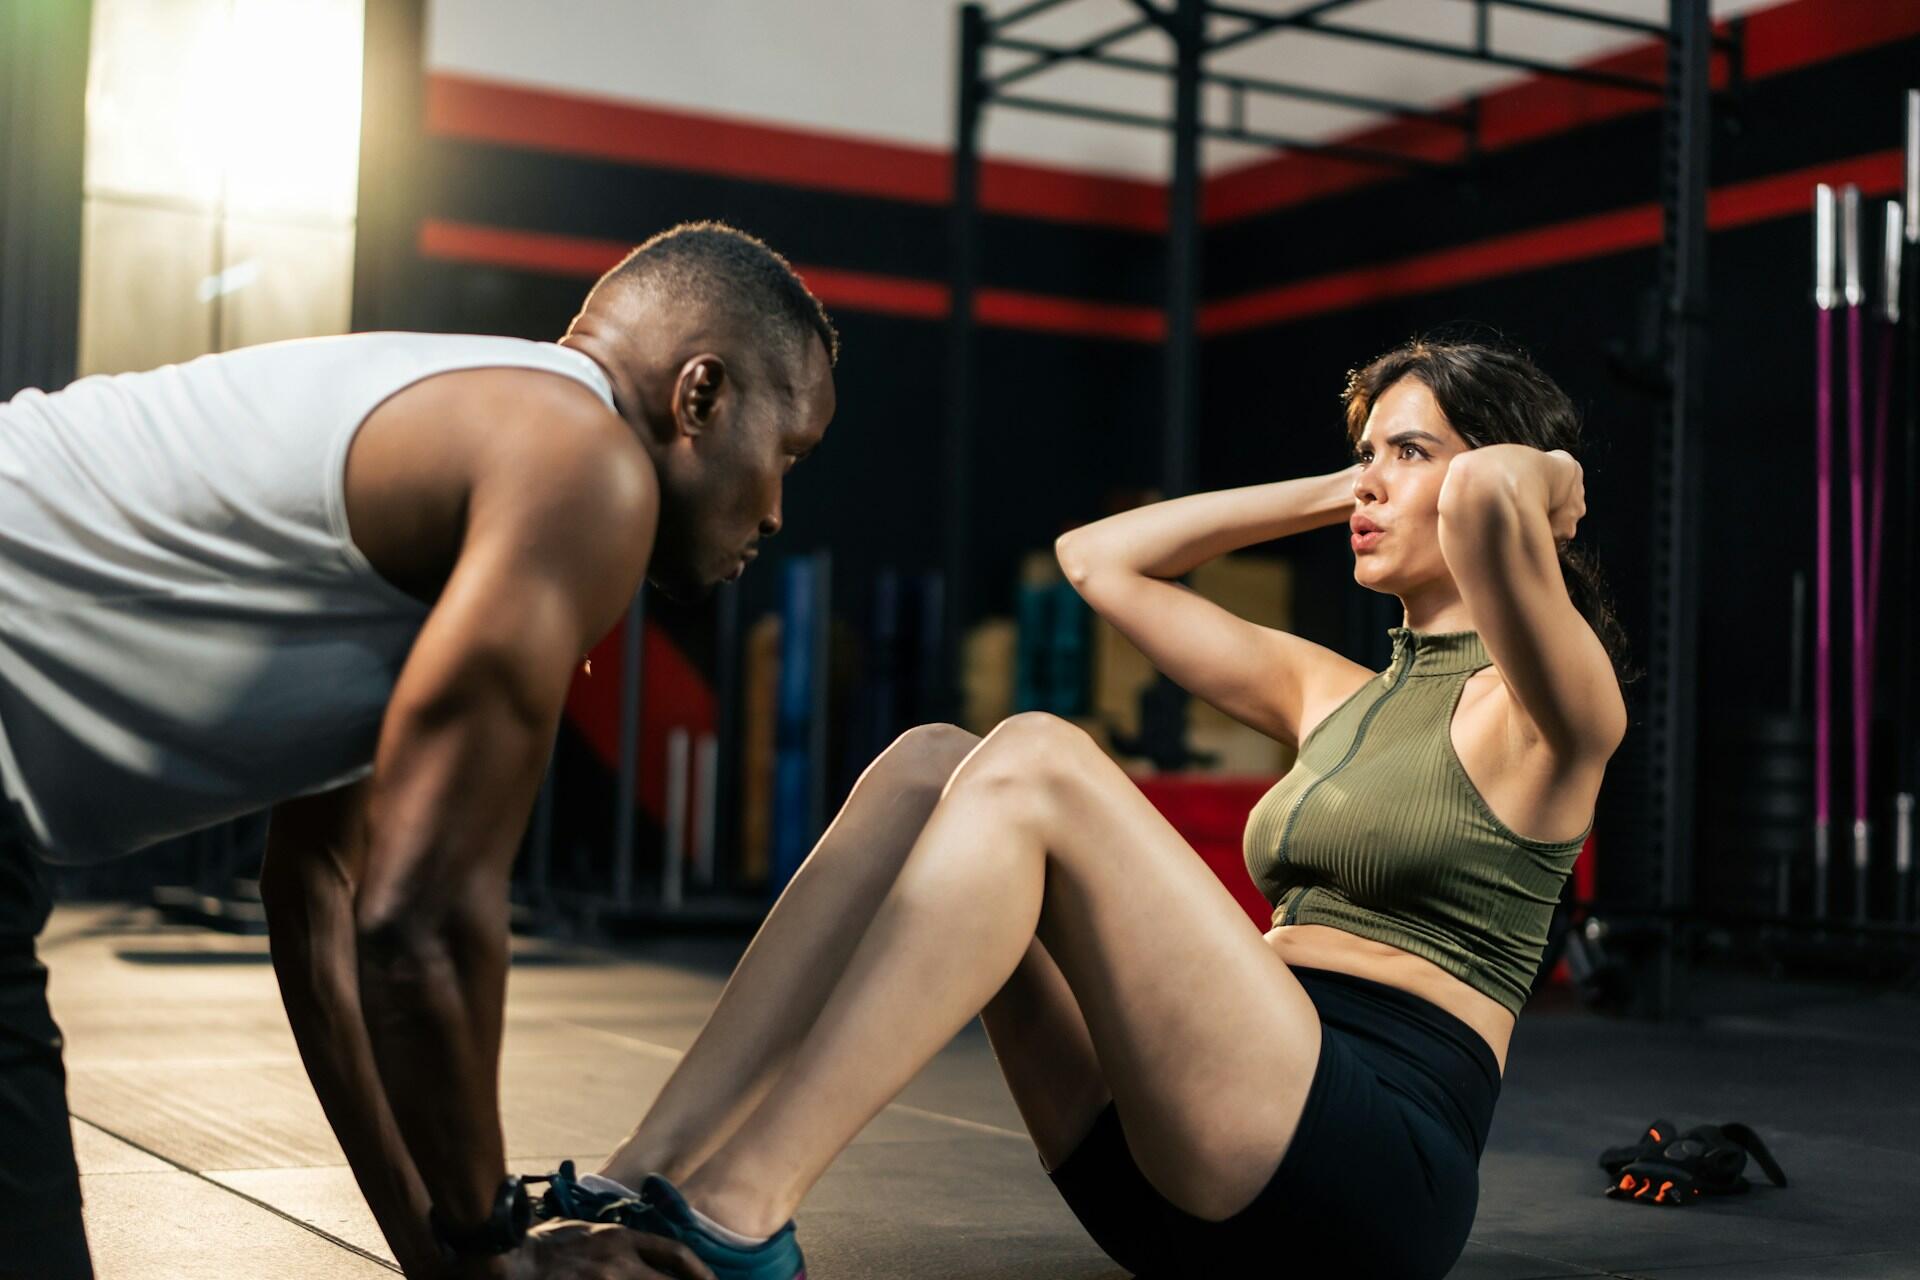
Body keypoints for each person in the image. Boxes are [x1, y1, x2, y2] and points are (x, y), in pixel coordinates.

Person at [531, 336, 1631, 1280]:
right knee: (930, 763)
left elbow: (1490, 504)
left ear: (1502, 470)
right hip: (1181, 1150)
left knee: (1042, 760)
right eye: (1365, 453)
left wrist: (1551, 467)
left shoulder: (1549, 715)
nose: (1370, 483)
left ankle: (741, 1202)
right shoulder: (1333, 694)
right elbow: (1099, 562)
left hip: (1361, 1176)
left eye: (1408, 451)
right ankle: (649, 1167)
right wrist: (1337, 487)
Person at [0, 220, 836, 1280]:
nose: (772, 511)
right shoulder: (585, 471)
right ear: (701, 396)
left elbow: (324, 900)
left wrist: (451, 1255)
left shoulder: (480, 428)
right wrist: (497, 1248)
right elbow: (422, 919)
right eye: (788, 453)